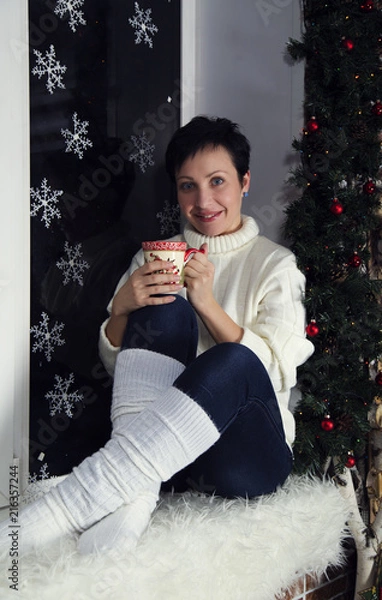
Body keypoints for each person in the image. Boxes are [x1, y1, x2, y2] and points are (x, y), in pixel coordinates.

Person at [0, 116, 314, 557]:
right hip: (172, 458)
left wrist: (207, 303)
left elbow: (273, 371)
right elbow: (122, 369)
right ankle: (135, 495)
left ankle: (70, 506)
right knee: (163, 307)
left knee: (236, 359)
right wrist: (123, 307)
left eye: (217, 181)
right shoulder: (155, 257)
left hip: (247, 458)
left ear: (244, 182)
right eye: (188, 186)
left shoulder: (277, 265)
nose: (203, 200)